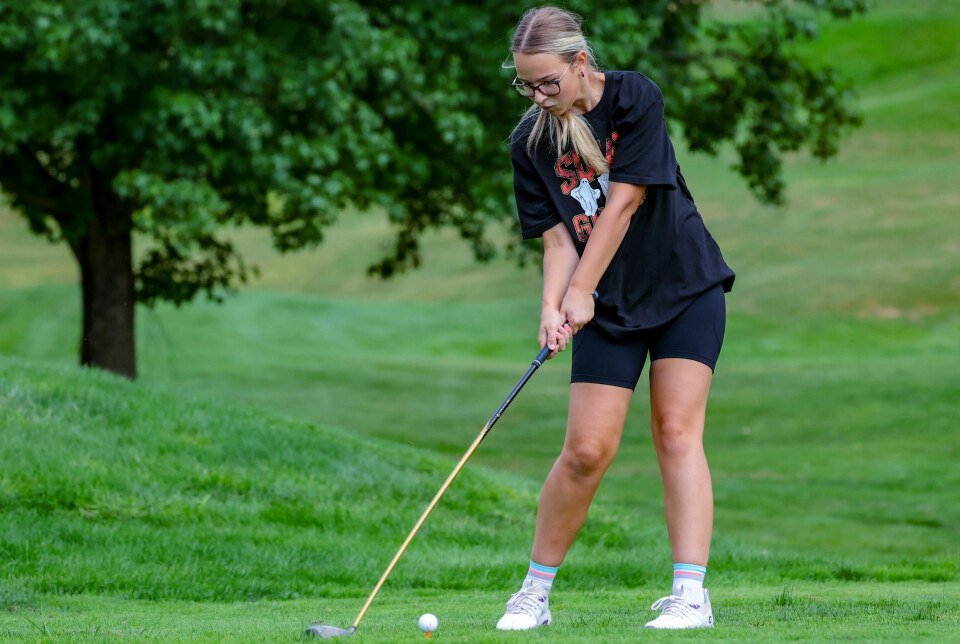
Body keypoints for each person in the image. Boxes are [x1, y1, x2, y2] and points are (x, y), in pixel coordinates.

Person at [496, 6, 736, 632]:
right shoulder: (530, 143)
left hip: (684, 287)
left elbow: (626, 201)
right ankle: (533, 592)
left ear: (581, 63)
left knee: (676, 432)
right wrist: (553, 307)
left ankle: (690, 595)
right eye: (527, 84)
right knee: (586, 450)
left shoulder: (634, 97)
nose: (539, 96)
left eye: (548, 81)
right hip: (606, 306)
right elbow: (556, 240)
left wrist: (580, 290)